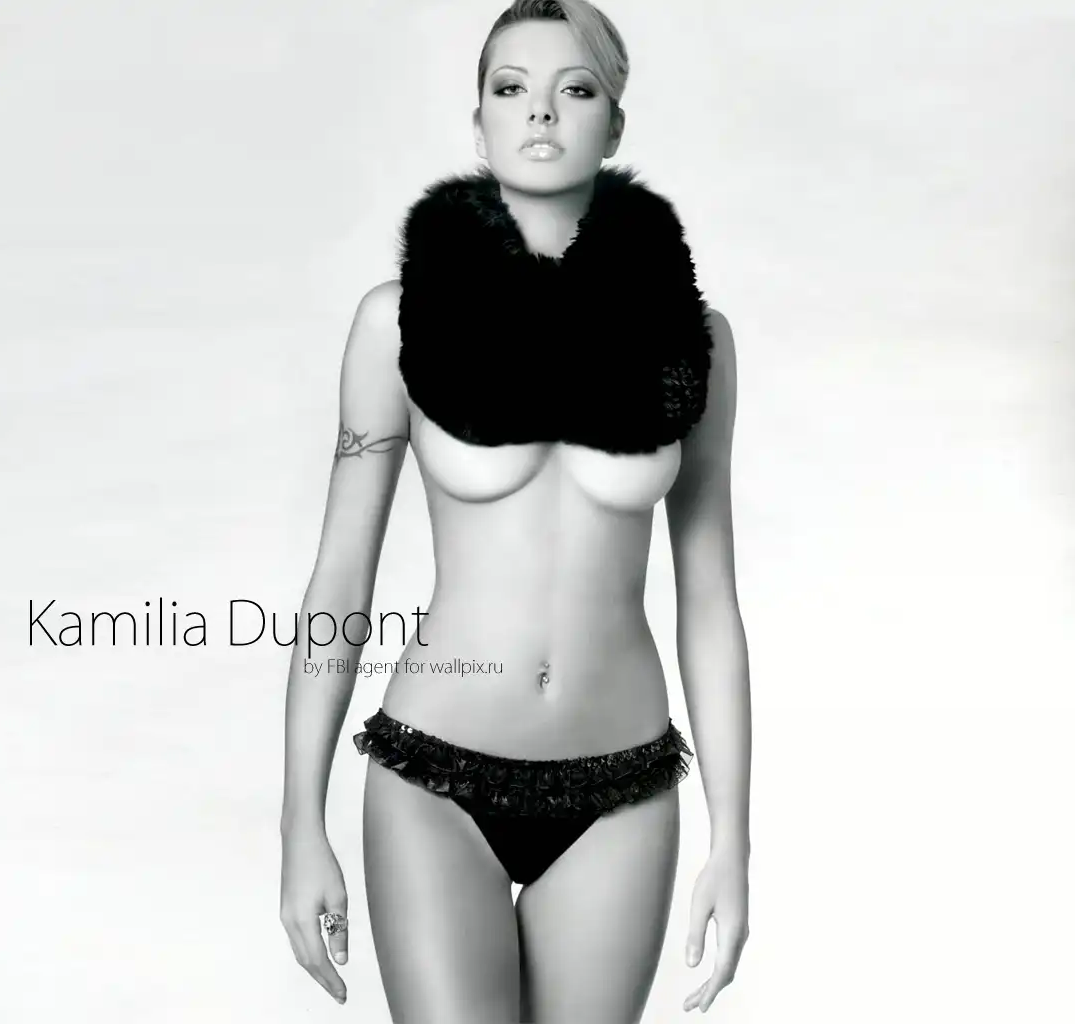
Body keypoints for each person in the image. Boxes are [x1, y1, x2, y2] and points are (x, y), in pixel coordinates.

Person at [279, 2, 751, 1020]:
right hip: (434, 781)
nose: (540, 112)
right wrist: (298, 822)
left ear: (613, 124)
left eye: (574, 89)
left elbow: (708, 597)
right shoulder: (395, 326)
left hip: (622, 791)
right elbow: (340, 579)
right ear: (480, 121)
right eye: (510, 88)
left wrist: (735, 838)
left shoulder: (693, 343)